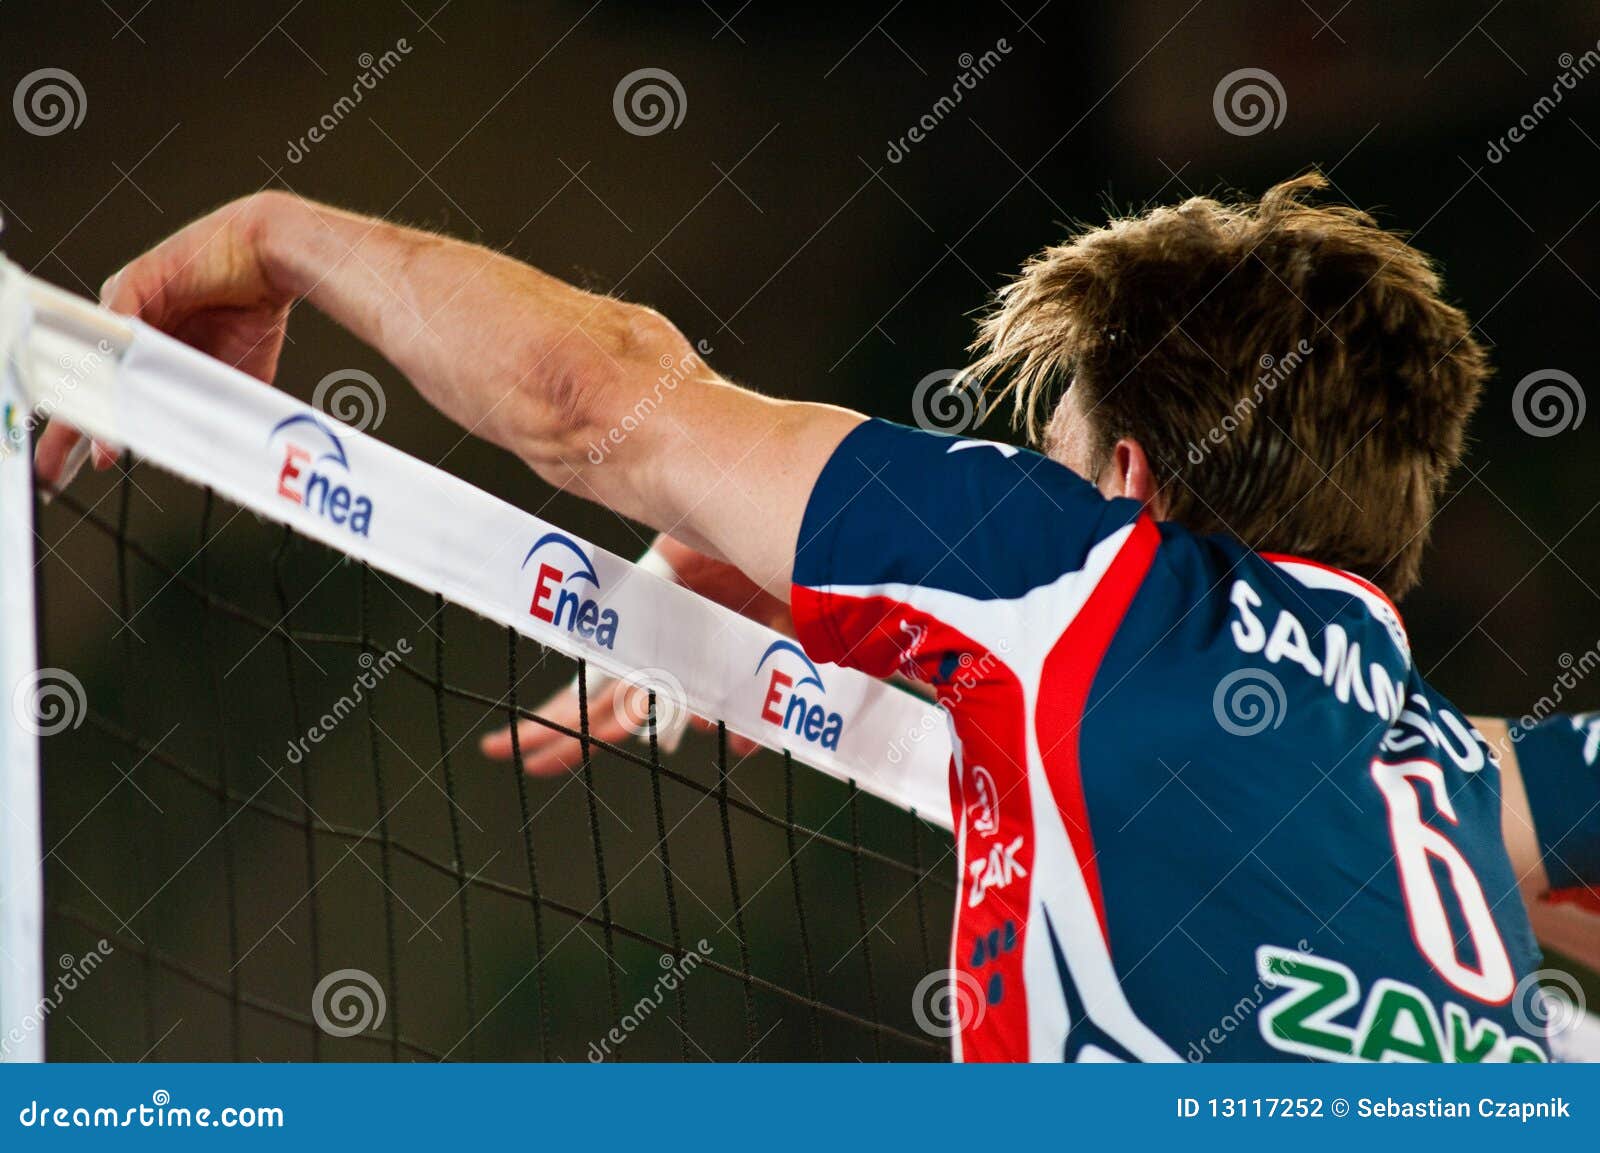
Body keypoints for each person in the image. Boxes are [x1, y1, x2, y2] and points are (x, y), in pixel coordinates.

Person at [34, 175, 1599, 1061]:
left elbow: (603, 403)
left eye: (1048, 451)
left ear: (1120, 478)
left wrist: (273, 234)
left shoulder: (1074, 574)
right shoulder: (1452, 779)